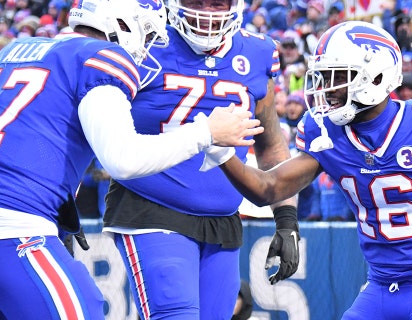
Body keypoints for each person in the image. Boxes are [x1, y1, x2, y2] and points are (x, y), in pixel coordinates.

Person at [217, 21, 412, 319]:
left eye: (337, 77)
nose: (326, 89)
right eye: (322, 77)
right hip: (379, 286)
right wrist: (220, 150)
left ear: (376, 76)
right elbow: (268, 189)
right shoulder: (327, 134)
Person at [0, 0, 263, 318]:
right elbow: (123, 160)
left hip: (13, 217)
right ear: (121, 24)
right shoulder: (101, 57)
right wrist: (206, 132)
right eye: (147, 34)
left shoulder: (19, 49)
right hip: (13, 226)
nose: (147, 47)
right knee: (85, 309)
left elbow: (37, 138)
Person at [102, 0, 300, 319]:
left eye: (217, 3)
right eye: (197, 2)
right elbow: (93, 119)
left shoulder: (258, 52)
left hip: (223, 219)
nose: (207, 12)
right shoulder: (141, 43)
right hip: (152, 206)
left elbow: (271, 146)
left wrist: (287, 219)